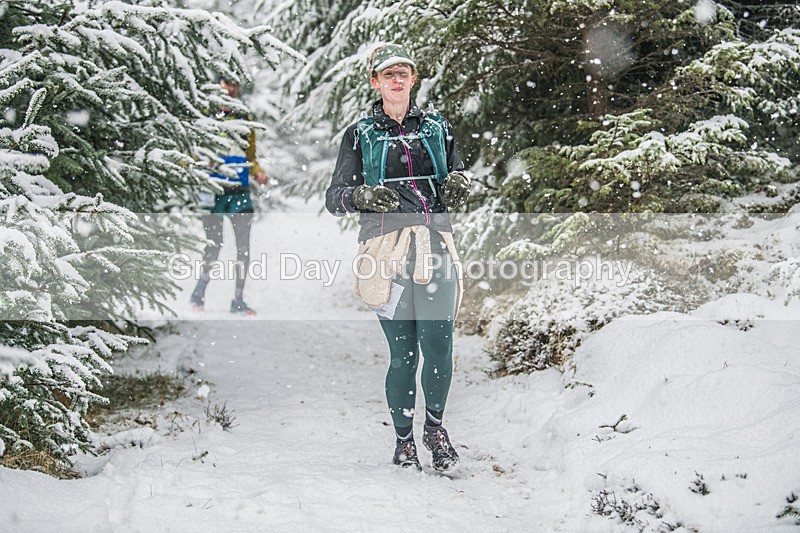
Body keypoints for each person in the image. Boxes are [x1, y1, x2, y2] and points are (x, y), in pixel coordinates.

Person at [325, 44, 471, 472]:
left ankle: (435, 430)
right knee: (404, 355)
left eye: (403, 72)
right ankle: (404, 441)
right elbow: (334, 198)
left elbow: (459, 174)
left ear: (413, 78)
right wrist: (361, 196)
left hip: (435, 245)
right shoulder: (359, 134)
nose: (396, 79)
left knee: (439, 348)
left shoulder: (437, 128)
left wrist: (461, 184)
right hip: (384, 253)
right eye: (388, 74)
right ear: (376, 82)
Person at [190, 77, 268, 315]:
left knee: (243, 248)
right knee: (213, 245)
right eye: (226, 84)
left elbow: (250, 156)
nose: (231, 89)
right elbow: (193, 152)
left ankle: (238, 300)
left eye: (235, 85)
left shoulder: (245, 119)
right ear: (218, 86)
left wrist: (257, 172)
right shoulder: (206, 117)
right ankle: (198, 294)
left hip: (239, 191)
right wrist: (199, 164)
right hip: (212, 190)